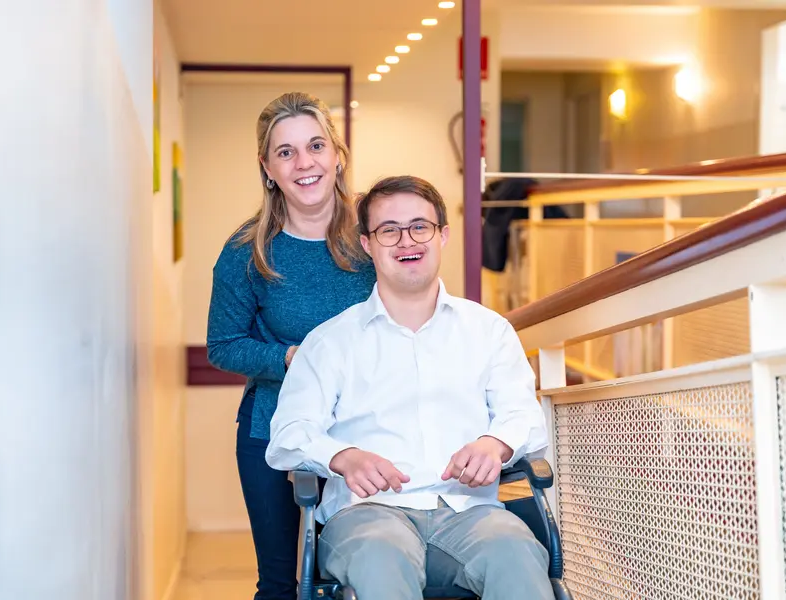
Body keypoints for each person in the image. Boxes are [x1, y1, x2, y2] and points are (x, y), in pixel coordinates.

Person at [266, 175, 555, 600]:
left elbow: (525, 417)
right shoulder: (330, 342)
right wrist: (342, 456)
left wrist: (495, 444)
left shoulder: (489, 330)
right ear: (367, 243)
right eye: (389, 230)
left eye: (420, 226)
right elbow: (288, 435)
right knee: (381, 559)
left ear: (443, 235)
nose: (407, 241)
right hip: (367, 517)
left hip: (470, 512)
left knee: (516, 554)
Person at [206, 92, 376, 600]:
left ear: (337, 154)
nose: (304, 163)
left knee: (363, 576)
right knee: (285, 584)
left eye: (316, 145)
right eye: (286, 152)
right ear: (267, 167)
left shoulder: (373, 235)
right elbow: (224, 345)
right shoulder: (246, 251)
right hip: (273, 436)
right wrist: (289, 358)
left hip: (369, 431)